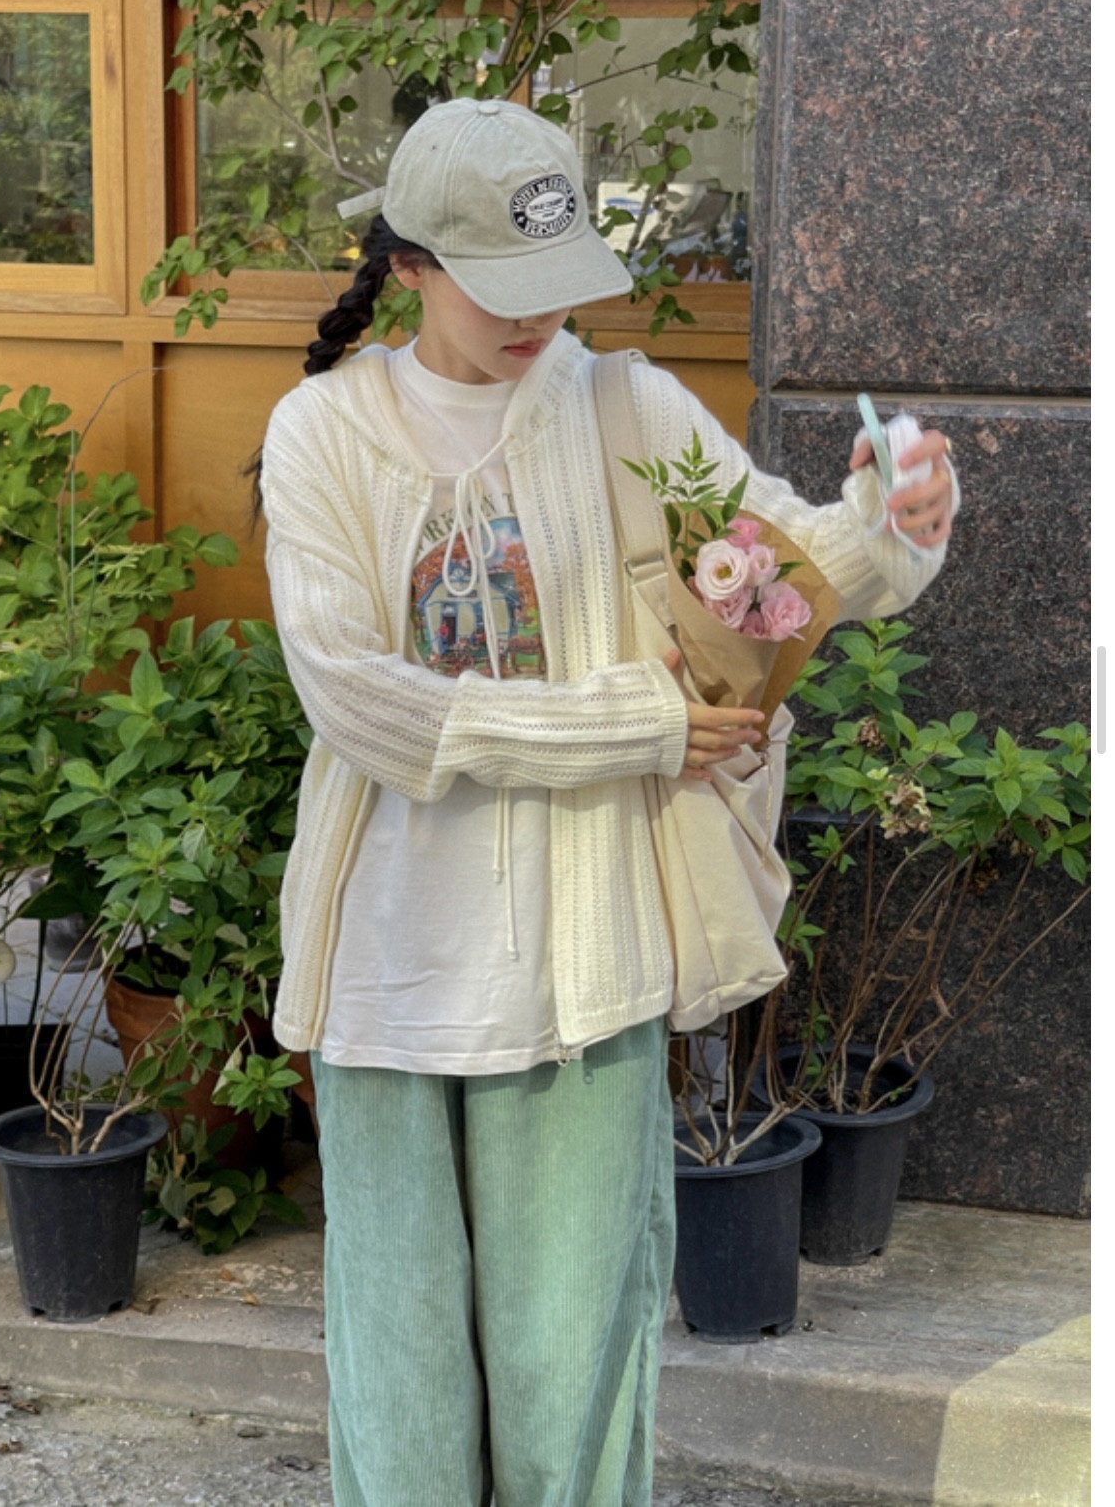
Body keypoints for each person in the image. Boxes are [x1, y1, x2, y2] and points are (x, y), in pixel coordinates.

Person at [254, 98, 956, 1507]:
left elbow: (782, 568)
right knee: (399, 1374)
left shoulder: (624, 405)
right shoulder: (322, 430)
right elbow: (354, 695)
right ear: (409, 265)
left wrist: (892, 526)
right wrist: (633, 725)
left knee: (576, 1371)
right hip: (390, 975)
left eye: (558, 280)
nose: (538, 318)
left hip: (587, 971)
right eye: (500, 286)